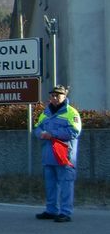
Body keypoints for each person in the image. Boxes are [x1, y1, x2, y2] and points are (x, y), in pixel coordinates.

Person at [34, 85, 81, 223]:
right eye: (53, 95)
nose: (55, 98)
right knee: (50, 185)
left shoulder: (71, 112)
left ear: (64, 97)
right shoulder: (45, 113)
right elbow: (37, 127)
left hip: (64, 156)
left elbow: (74, 132)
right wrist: (40, 134)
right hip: (49, 155)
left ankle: (65, 212)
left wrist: (52, 134)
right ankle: (51, 210)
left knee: (66, 184)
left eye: (58, 95)